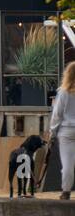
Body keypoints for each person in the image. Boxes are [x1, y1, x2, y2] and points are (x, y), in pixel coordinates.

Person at [49, 62, 75, 199]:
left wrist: (52, 132)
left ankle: (66, 192)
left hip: (66, 131)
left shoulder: (63, 92)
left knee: (67, 163)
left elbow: (57, 115)